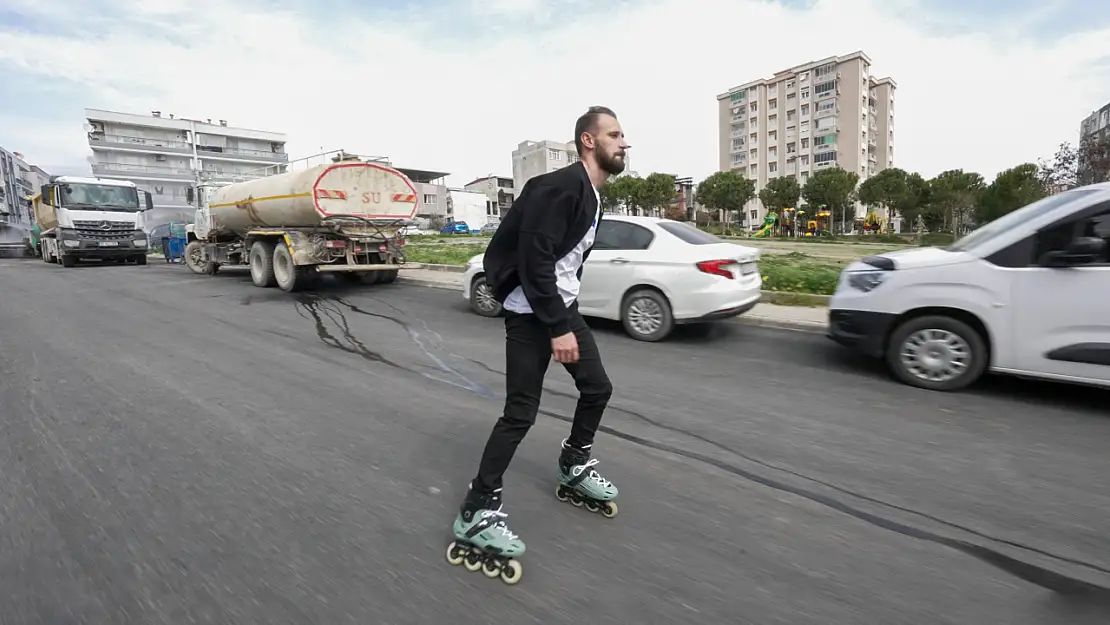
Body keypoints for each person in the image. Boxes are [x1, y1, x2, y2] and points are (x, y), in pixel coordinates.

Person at [451, 106, 630, 559]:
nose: (623, 143)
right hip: (531, 313)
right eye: (615, 134)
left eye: (623, 135)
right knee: (520, 414)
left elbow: (566, 264)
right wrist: (556, 327)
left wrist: (564, 316)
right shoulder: (558, 187)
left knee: (597, 388)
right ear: (589, 141)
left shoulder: (591, 195)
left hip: (558, 309)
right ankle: (476, 508)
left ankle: (573, 463)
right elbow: (535, 260)